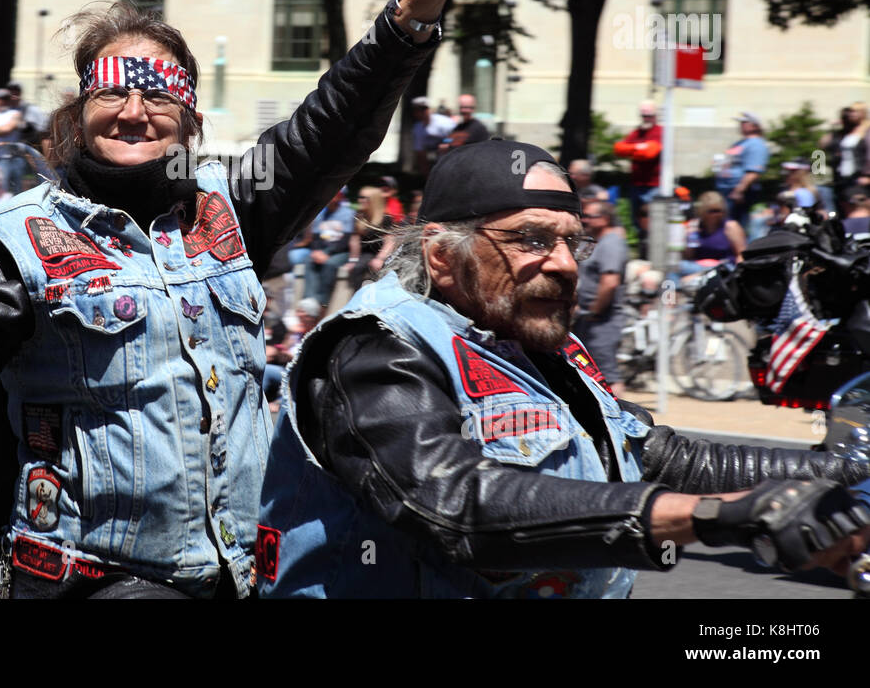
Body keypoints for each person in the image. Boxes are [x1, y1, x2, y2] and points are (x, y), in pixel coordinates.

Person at [0, 0, 481, 598]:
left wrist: (418, 9)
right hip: (91, 585)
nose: (134, 111)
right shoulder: (13, 241)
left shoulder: (232, 208)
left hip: (244, 578)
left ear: (192, 122)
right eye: (112, 89)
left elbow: (332, 125)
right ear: (79, 113)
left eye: (159, 94)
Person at [257, 138, 870, 598]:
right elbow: (458, 504)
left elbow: (655, 455)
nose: (567, 265)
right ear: (443, 257)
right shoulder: (376, 348)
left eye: (572, 242)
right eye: (530, 240)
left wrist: (848, 473)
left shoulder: (537, 346)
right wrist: (715, 516)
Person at [571, 198, 629, 397]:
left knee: (607, 372)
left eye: (589, 216)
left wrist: (594, 310)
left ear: (604, 219)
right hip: (588, 318)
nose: (584, 220)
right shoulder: (598, 242)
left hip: (603, 320)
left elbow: (610, 281)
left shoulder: (611, 244)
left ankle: (621, 420)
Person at [294, 187, 357, 308]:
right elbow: (316, 236)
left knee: (330, 264)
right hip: (321, 250)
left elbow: (345, 239)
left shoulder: (348, 213)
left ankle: (322, 301)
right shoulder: (321, 213)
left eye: (333, 194)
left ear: (341, 197)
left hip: (340, 252)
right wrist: (317, 251)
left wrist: (327, 253)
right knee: (308, 260)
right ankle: (308, 300)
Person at [613, 100, 663, 244]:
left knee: (652, 222)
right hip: (637, 185)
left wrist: (632, 149)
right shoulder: (637, 132)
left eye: (649, 115)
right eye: (643, 116)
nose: (646, 119)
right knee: (637, 222)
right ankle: (642, 249)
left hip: (654, 185)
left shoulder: (660, 132)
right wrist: (639, 148)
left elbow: (650, 153)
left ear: (655, 115)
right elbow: (618, 149)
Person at [678, 190, 746, 285]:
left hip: (723, 267)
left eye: (719, 211)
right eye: (711, 211)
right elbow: (689, 256)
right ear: (702, 211)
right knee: (674, 266)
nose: (716, 214)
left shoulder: (730, 226)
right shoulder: (695, 226)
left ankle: (693, 280)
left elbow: (741, 254)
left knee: (686, 279)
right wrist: (688, 237)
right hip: (698, 265)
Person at [716, 112, 769, 226]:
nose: (741, 125)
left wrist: (739, 191)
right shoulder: (741, 143)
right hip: (727, 190)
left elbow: (753, 172)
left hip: (739, 192)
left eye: (744, 123)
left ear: (754, 125)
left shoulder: (757, 144)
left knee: (735, 224)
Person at [347, 186, 396, 291]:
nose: (360, 200)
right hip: (365, 254)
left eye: (364, 197)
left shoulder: (385, 219)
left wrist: (379, 259)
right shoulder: (359, 217)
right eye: (360, 197)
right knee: (358, 267)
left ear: (374, 200)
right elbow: (354, 241)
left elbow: (390, 242)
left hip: (380, 254)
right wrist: (352, 260)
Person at [822, 103, 870, 193]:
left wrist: (867, 176)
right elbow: (823, 145)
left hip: (860, 179)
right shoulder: (844, 134)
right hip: (842, 178)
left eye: (854, 112)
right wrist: (832, 128)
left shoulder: (867, 133)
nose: (850, 115)